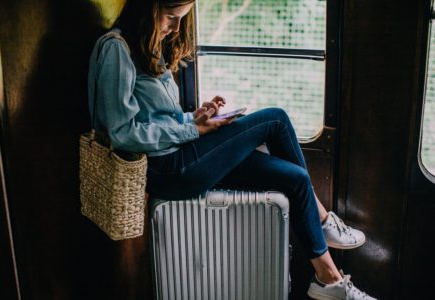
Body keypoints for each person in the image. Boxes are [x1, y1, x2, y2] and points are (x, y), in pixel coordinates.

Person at [87, 0, 377, 299]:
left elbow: (157, 118)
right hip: (169, 169)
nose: (174, 28)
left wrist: (196, 117)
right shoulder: (116, 49)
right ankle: (324, 223)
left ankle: (328, 283)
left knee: (296, 179)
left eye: (180, 19)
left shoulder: (147, 47)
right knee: (276, 119)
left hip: (181, 151)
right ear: (147, 7)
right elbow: (122, 132)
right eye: (170, 17)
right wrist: (191, 129)